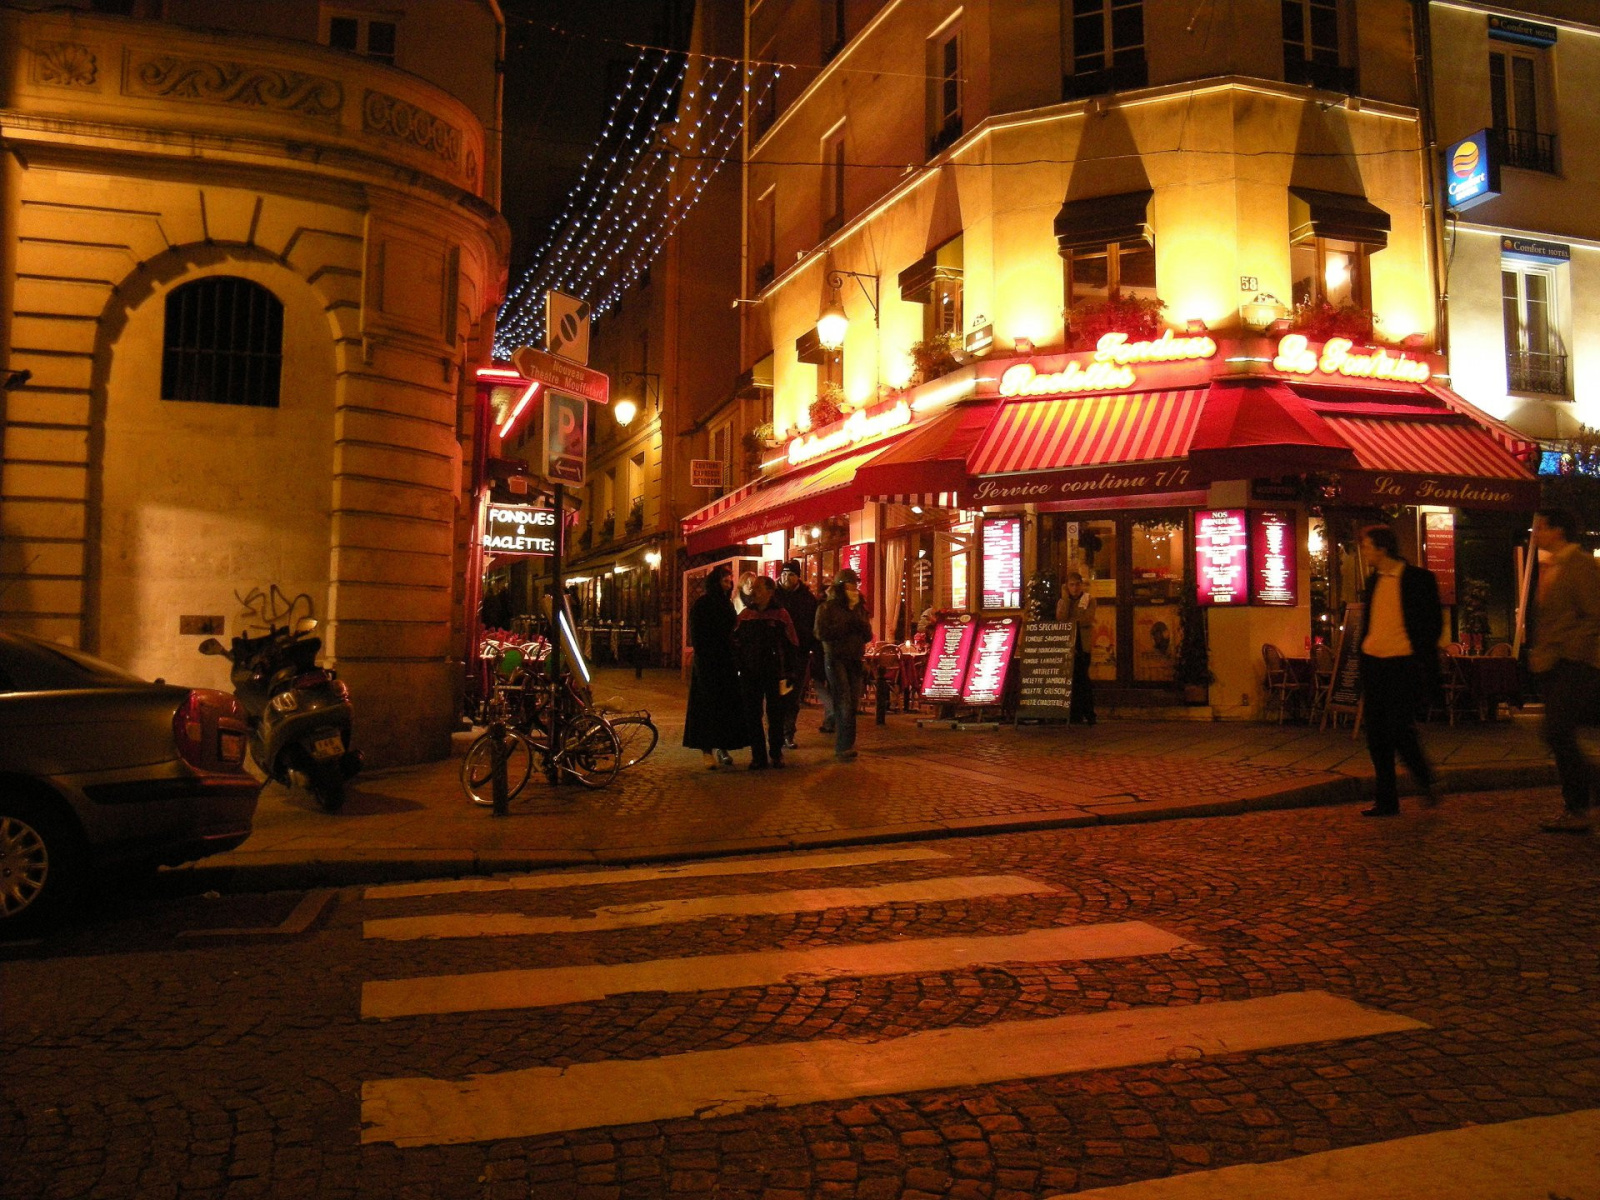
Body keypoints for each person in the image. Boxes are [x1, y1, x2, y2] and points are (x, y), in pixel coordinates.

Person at [1357, 524, 1443, 817]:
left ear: (1383, 548)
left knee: (1399, 729)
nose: (1364, 551)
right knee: (1376, 735)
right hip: (1374, 662)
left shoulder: (1418, 579)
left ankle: (1425, 777)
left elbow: (1432, 623)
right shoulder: (1373, 581)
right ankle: (1386, 799)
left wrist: (1419, 655)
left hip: (1401, 663)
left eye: (1368, 546)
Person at [1528, 507, 1600, 833]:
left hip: (1575, 664)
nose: (1536, 534)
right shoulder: (1551, 566)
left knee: (1556, 731)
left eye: (1541, 528)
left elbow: (1593, 614)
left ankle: (1579, 806)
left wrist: (1571, 651)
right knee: (1559, 733)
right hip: (1553, 663)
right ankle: (1579, 805)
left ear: (1558, 531)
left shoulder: (1581, 565)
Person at [682, 566, 746, 769]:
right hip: (708, 662)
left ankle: (723, 746)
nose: (728, 585)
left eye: (730, 582)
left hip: (726, 662)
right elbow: (699, 635)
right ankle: (707, 749)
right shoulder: (702, 605)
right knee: (706, 705)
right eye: (725, 581)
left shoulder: (727, 605)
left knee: (725, 706)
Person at [733, 575, 799, 769]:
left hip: (775, 672)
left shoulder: (780, 615)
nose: (754, 592)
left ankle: (776, 753)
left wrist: (790, 671)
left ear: (770, 592)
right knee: (753, 714)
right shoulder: (745, 615)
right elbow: (735, 642)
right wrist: (740, 664)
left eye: (759, 589)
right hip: (750, 672)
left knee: (776, 713)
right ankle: (758, 755)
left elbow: (792, 643)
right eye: (753, 589)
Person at [815, 567, 873, 762]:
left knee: (853, 702)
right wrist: (846, 625)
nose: (853, 589)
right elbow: (821, 633)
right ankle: (844, 746)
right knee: (844, 701)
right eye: (849, 586)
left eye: (855, 585)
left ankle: (847, 742)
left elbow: (867, 635)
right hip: (836, 658)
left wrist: (859, 623)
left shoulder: (860, 608)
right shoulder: (827, 607)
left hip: (855, 659)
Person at [772, 559, 825, 748]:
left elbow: (814, 627)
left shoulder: (808, 599)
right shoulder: (772, 595)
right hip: (775, 654)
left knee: (793, 696)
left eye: (791, 574)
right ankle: (775, 732)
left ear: (798, 577)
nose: (787, 577)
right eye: (784, 573)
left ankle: (788, 732)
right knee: (775, 695)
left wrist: (812, 649)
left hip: (799, 654)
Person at [1054, 571, 1097, 726]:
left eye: (1077, 584)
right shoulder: (1062, 601)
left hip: (1083, 645)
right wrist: (1066, 599)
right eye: (1071, 585)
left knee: (1083, 679)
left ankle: (1089, 713)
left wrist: (1072, 621)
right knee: (1071, 680)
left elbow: (1087, 618)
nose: (1075, 588)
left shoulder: (1089, 599)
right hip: (1068, 646)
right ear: (1067, 587)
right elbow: (1061, 618)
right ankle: (1075, 714)